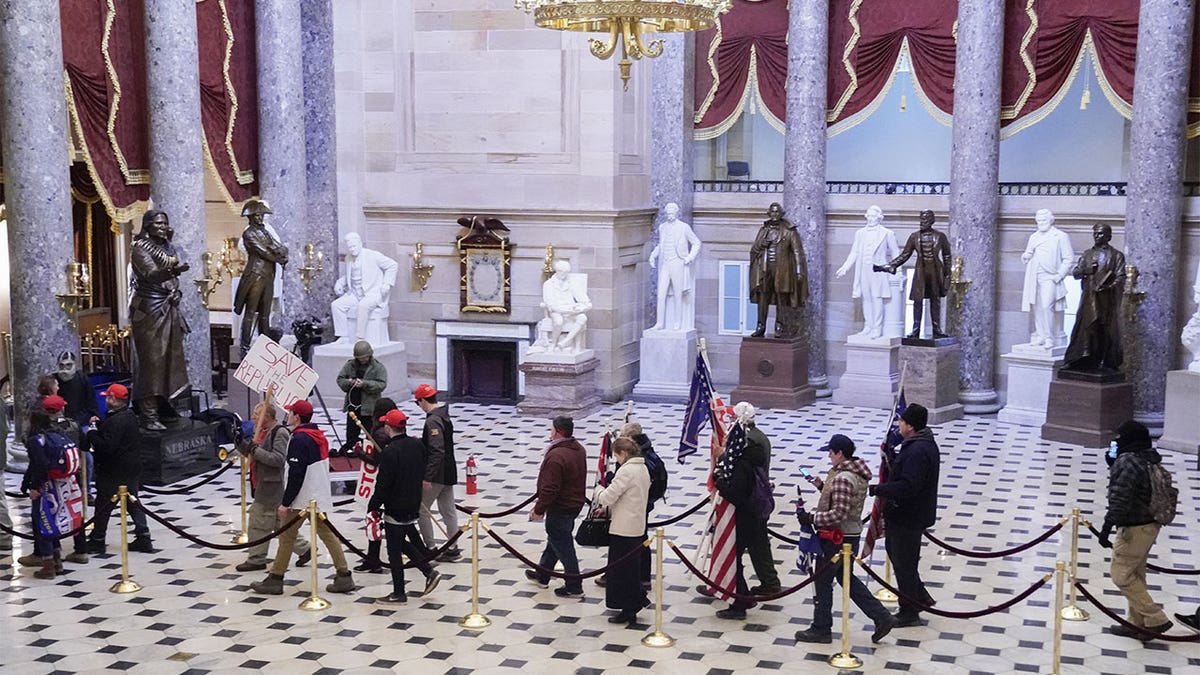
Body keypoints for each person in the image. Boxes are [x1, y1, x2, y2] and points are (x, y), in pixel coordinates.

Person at [794, 434, 896, 644]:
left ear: (840, 453)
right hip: (851, 535)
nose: (829, 457)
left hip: (837, 538)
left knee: (823, 580)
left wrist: (811, 518)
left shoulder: (843, 478)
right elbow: (843, 500)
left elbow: (838, 513)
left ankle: (821, 628)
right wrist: (822, 486)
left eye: (831, 452)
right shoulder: (854, 473)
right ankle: (882, 617)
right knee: (845, 578)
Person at [251, 400, 356, 596]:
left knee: (286, 537)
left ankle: (275, 579)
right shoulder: (316, 436)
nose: (288, 415)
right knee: (327, 536)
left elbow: (296, 475)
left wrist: (285, 502)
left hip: (302, 499)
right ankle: (344, 574)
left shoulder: (299, 440)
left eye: (290, 412)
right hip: (317, 495)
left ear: (297, 417)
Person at [1097, 420, 1173, 639]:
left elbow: (1120, 497)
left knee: (1120, 575)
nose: (1115, 441)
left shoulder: (1127, 461)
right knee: (1135, 574)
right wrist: (1114, 462)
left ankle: (1156, 618)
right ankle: (1137, 624)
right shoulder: (1146, 456)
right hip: (1150, 525)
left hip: (1134, 527)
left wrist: (1107, 527)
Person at [870, 403, 940, 627]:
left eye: (901, 421)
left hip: (908, 514)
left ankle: (909, 610)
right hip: (907, 514)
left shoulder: (918, 450)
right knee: (898, 554)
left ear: (910, 426)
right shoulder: (919, 444)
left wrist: (879, 489)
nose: (898, 424)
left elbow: (909, 486)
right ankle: (919, 596)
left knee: (904, 562)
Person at [368, 409, 444, 604]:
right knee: (401, 542)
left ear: (387, 427)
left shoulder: (390, 452)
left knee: (394, 550)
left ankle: (399, 592)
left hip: (396, 505)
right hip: (413, 501)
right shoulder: (417, 445)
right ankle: (428, 571)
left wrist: (373, 506)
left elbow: (383, 484)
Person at [129, 209, 192, 430]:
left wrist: (176, 291)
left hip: (169, 307)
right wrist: (174, 272)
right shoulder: (139, 249)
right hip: (149, 310)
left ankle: (166, 405)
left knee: (171, 361)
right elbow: (151, 274)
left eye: (165, 223)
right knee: (152, 362)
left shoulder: (167, 247)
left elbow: (171, 279)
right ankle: (148, 414)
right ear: (147, 226)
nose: (163, 227)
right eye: (158, 223)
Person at [234, 402, 311, 573]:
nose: (253, 417)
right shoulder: (260, 431)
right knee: (279, 523)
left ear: (266, 416)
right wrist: (240, 444)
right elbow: (253, 453)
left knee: (258, 522)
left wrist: (254, 450)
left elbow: (277, 459)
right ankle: (304, 549)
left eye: (256, 414)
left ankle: (256, 558)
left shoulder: (279, 432)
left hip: (272, 486)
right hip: (261, 482)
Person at [712, 403, 772, 620]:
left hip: (744, 518)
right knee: (740, 556)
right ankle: (744, 595)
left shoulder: (743, 465)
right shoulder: (751, 456)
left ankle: (739, 603)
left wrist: (719, 482)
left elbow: (737, 495)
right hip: (752, 515)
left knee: (734, 558)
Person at [86, 384, 154, 554]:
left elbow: (108, 446)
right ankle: (143, 536)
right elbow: (115, 434)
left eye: (108, 397)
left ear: (114, 400)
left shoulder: (117, 420)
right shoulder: (128, 415)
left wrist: (92, 433)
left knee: (104, 505)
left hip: (113, 471)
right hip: (130, 468)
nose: (106, 400)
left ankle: (97, 539)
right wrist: (101, 425)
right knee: (133, 503)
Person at [526, 416, 587, 598]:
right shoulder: (578, 449)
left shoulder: (556, 456)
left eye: (551, 429)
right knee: (556, 539)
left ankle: (574, 585)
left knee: (563, 544)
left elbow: (550, 488)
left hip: (561, 505)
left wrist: (539, 509)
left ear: (557, 431)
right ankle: (543, 575)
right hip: (574, 503)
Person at [594, 437, 650, 625]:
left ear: (623, 453)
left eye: (616, 455)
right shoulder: (642, 468)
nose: (616, 459)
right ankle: (635, 600)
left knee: (622, 571)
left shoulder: (627, 471)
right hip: (636, 525)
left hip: (624, 528)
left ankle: (629, 606)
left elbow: (609, 496)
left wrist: (598, 490)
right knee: (631, 569)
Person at [19, 411, 79, 579]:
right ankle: (57, 561)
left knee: (43, 524)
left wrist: (35, 487)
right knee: (53, 523)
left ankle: (48, 566)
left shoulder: (35, 441)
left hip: (45, 488)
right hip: (61, 486)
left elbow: (39, 465)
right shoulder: (56, 434)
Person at [877, 210, 953, 339]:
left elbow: (947, 255)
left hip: (935, 271)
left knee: (935, 301)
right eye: (921, 219)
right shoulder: (914, 236)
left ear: (931, 221)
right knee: (918, 301)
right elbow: (905, 254)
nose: (922, 222)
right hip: (920, 271)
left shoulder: (940, 236)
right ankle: (915, 330)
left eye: (925, 220)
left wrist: (947, 274)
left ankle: (937, 330)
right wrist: (892, 265)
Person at [1063, 223, 1126, 373]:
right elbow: (1076, 273)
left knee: (1104, 329)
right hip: (1088, 298)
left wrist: (1108, 287)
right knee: (1085, 328)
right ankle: (1080, 358)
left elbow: (1121, 276)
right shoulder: (1086, 254)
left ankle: (1104, 361)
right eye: (1095, 234)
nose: (1096, 236)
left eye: (1100, 234)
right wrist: (1087, 270)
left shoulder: (1116, 255)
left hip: (1106, 300)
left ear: (1108, 236)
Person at [836, 205, 901, 340]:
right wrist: (845, 267)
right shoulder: (860, 233)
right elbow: (854, 252)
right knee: (866, 299)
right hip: (863, 269)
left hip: (879, 270)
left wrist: (897, 269)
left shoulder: (887, 233)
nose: (871, 219)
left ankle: (877, 328)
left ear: (879, 218)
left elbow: (895, 252)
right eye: (869, 216)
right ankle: (868, 326)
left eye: (873, 216)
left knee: (877, 298)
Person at [414, 384, 462, 561]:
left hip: (437, 474)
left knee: (422, 510)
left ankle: (431, 547)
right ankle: (453, 547)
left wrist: (427, 476)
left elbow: (437, 450)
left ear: (423, 400)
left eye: (417, 402)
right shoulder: (444, 415)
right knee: (448, 511)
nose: (419, 406)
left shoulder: (432, 420)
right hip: (449, 471)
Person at [234, 199, 289, 352]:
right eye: (257, 215)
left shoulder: (265, 231)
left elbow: (276, 246)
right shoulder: (249, 233)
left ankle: (265, 345)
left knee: (265, 312)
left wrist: (282, 253)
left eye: (261, 215)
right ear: (250, 216)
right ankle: (245, 347)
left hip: (269, 274)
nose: (260, 218)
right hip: (255, 274)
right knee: (250, 312)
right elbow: (262, 251)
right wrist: (279, 257)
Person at [749, 202, 809, 338]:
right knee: (763, 296)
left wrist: (799, 270)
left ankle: (779, 325)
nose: (774, 214)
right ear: (769, 214)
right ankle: (760, 326)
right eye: (772, 212)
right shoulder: (763, 230)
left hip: (782, 269)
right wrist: (761, 244)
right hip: (764, 268)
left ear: (781, 214)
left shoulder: (789, 231)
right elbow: (753, 250)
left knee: (781, 296)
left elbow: (797, 252)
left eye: (777, 212)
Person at [41, 395, 89, 565]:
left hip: (52, 477)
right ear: (62, 408)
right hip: (73, 474)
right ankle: (81, 549)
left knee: (52, 511)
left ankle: (55, 554)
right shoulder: (73, 424)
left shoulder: (42, 428)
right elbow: (85, 445)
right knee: (76, 510)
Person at [739, 403, 780, 596]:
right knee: (759, 544)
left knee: (754, 544)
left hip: (753, 498)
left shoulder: (750, 439)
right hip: (759, 496)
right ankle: (769, 580)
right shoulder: (760, 435)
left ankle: (768, 582)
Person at [1020, 209, 1074, 349]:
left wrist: (1060, 275)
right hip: (1034, 275)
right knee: (1036, 306)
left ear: (1050, 220)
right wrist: (1025, 256)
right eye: (1038, 221)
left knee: (1047, 306)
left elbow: (1068, 258)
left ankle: (1050, 337)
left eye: (1043, 221)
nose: (1040, 223)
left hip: (1050, 277)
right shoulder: (1034, 237)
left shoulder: (1060, 236)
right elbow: (1028, 252)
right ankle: (1041, 335)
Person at [354, 397, 397, 574]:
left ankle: (373, 559)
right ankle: (373, 557)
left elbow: (378, 461)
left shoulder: (379, 433)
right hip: (394, 482)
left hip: (382, 483)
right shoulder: (392, 430)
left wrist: (360, 454)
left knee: (374, 520)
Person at [331, 232, 399, 344]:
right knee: (337, 305)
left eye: (354, 246)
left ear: (360, 244)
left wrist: (387, 284)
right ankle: (343, 336)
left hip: (373, 293)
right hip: (355, 293)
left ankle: (360, 338)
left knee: (363, 306)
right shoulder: (348, 258)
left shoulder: (373, 255)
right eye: (350, 247)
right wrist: (339, 283)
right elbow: (351, 274)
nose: (352, 249)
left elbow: (392, 265)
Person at [648, 202, 701, 332]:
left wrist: (689, 257)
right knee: (661, 295)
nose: (670, 215)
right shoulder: (662, 227)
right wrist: (653, 255)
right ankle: (660, 322)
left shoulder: (684, 227)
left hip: (678, 262)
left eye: (672, 213)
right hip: (665, 263)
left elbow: (696, 242)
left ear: (676, 213)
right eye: (668, 213)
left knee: (678, 294)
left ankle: (678, 321)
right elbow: (662, 244)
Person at [335, 341, 388, 455]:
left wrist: (365, 384)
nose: (362, 360)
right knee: (351, 432)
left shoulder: (378, 367)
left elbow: (381, 384)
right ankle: (352, 448)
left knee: (371, 432)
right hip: (353, 404)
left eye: (364, 358)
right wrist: (349, 382)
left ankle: (371, 450)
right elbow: (340, 379)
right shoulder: (350, 366)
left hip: (369, 407)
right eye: (360, 358)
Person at [532, 260, 592, 353]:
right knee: (558, 321)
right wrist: (564, 310)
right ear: (557, 271)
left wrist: (581, 307)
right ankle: (554, 344)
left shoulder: (572, 283)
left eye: (566, 272)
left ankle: (566, 341)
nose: (564, 274)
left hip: (571, 310)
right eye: (562, 272)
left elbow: (584, 300)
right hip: (557, 310)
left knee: (582, 317)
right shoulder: (548, 284)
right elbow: (550, 303)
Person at [53, 351, 98, 427]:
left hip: (81, 419)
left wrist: (94, 415)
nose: (65, 369)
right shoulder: (53, 380)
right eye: (61, 365)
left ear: (74, 365)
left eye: (68, 365)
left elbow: (91, 400)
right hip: (59, 420)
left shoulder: (82, 378)